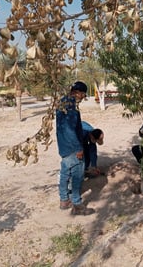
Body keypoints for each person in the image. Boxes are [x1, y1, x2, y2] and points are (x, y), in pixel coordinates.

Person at [56, 81, 94, 216]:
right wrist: (79, 148)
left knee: (65, 173)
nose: (83, 98)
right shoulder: (71, 106)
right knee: (77, 175)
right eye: (83, 95)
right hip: (72, 147)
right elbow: (71, 129)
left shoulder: (62, 102)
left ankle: (64, 200)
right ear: (77, 92)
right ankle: (77, 204)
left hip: (63, 146)